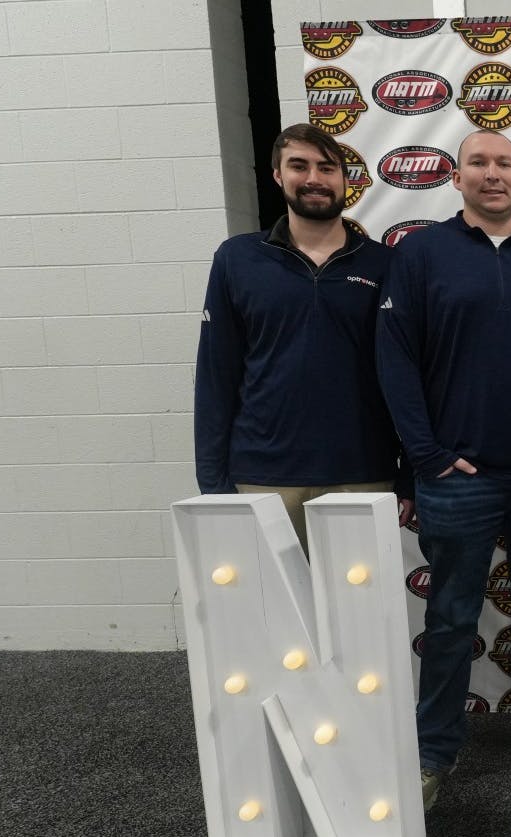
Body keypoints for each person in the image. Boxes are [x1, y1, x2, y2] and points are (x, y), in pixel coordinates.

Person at [376, 129, 511, 810]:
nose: (492, 174)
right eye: (478, 163)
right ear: (456, 176)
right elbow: (394, 361)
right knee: (448, 619)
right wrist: (428, 458)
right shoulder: (419, 254)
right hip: (457, 478)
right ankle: (434, 750)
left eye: (504, 164)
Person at [194, 123, 411, 546]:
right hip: (261, 479)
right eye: (299, 166)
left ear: (346, 180)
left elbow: (409, 376)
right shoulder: (237, 259)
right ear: (278, 175)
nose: (314, 178)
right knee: (270, 612)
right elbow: (216, 375)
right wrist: (213, 482)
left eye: (327, 168)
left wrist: (409, 476)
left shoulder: (385, 265)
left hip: (363, 475)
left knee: (359, 612)